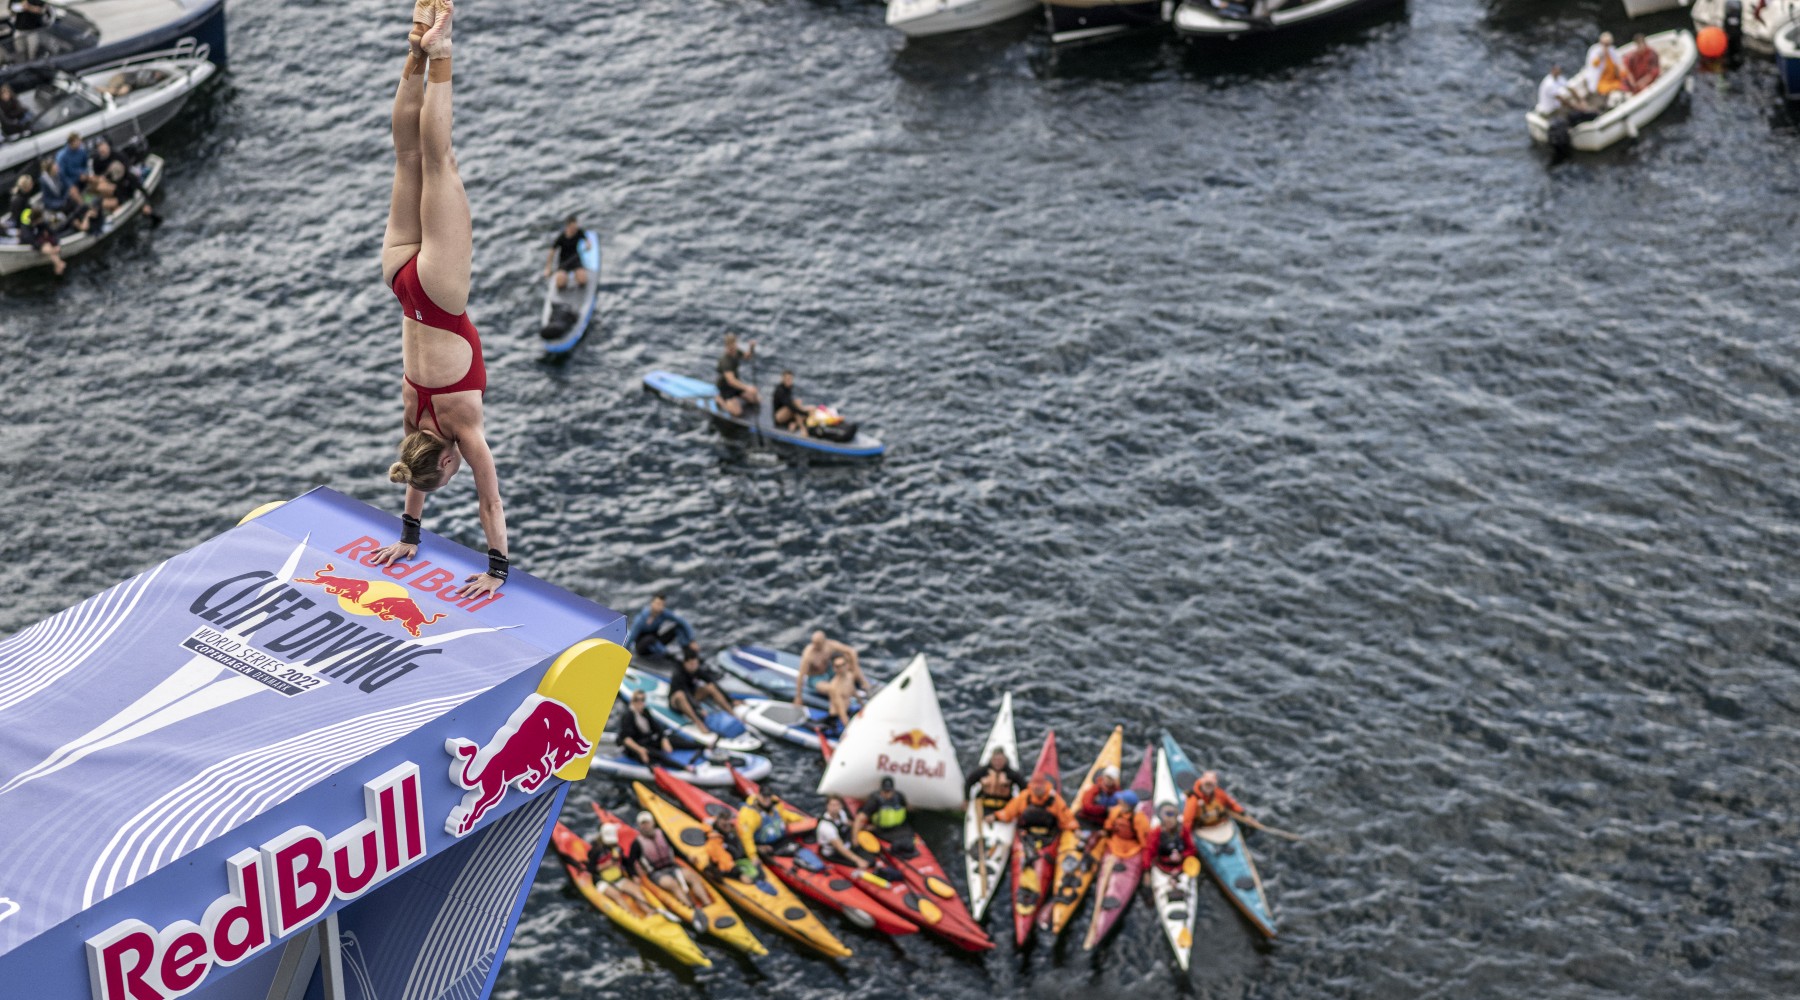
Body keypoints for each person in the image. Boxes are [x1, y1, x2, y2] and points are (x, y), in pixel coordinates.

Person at [366, 0, 509, 600]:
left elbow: (489, 500)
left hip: (437, 295)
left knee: (438, 162)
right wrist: (408, 531)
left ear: (445, 459)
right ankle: (414, 46)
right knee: (404, 157)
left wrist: (496, 569)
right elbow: (416, 473)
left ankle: (440, 53)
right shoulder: (413, 420)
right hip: (399, 281)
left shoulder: (461, 427)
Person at [632, 810, 708, 920]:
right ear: (639, 826)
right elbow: (630, 861)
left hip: (672, 866)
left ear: (653, 823)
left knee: (692, 877)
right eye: (643, 824)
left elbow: (675, 849)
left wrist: (687, 857)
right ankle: (691, 909)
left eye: (647, 823)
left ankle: (707, 902)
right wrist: (634, 874)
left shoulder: (662, 834)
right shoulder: (637, 844)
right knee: (672, 884)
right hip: (656, 873)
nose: (645, 826)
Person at [795, 630, 869, 729]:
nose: (815, 646)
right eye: (814, 643)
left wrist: (854, 666)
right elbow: (801, 676)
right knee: (833, 689)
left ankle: (865, 684)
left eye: (818, 643)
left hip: (829, 671)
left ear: (824, 641)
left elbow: (851, 651)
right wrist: (798, 697)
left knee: (849, 667)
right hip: (816, 678)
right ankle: (838, 712)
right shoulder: (809, 655)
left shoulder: (830, 646)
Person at [584, 823, 656, 910]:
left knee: (636, 890)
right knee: (616, 895)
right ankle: (632, 917)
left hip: (618, 878)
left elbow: (626, 863)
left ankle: (649, 911)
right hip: (602, 881)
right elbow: (590, 869)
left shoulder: (617, 848)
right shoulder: (595, 851)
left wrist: (633, 875)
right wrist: (604, 866)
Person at [668, 649, 734, 731]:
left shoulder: (696, 670)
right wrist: (698, 708)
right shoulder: (678, 675)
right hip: (677, 702)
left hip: (692, 696)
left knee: (710, 687)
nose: (694, 666)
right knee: (680, 695)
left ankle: (731, 711)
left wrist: (729, 698)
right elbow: (686, 693)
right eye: (691, 664)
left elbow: (711, 682)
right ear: (685, 663)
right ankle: (698, 722)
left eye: (696, 664)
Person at [624, 594, 698, 662]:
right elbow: (632, 637)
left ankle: (689, 655)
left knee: (678, 628)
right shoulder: (641, 619)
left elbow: (682, 622)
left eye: (662, 605)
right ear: (652, 604)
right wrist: (625, 653)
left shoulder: (663, 613)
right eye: (658, 604)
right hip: (642, 647)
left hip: (655, 641)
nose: (659, 607)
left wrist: (691, 640)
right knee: (650, 638)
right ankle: (667, 655)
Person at [615, 689, 674, 766]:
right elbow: (626, 739)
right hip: (635, 746)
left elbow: (656, 727)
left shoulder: (645, 712)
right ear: (632, 701)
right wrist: (640, 750)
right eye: (637, 700)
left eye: (642, 700)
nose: (640, 702)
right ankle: (685, 767)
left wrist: (664, 739)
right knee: (655, 756)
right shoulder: (628, 716)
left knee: (672, 739)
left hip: (647, 740)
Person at [814, 794, 870, 869]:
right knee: (861, 861)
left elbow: (847, 823)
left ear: (841, 806)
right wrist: (858, 860)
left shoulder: (841, 813)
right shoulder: (826, 826)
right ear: (827, 806)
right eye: (832, 805)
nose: (834, 808)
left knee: (866, 852)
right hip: (833, 852)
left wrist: (862, 827)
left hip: (843, 841)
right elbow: (839, 847)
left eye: (837, 805)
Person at [964, 748, 1025, 815]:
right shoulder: (982, 771)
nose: (997, 763)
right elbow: (969, 782)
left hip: (1005, 804)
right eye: (995, 760)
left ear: (1005, 760)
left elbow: (1024, 788)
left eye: (1000, 760)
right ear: (991, 760)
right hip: (985, 803)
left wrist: (1021, 803)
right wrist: (967, 799)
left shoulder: (1011, 774)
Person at [1181, 770, 1248, 831]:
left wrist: (1240, 811)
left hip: (1221, 825)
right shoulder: (1193, 799)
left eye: (1211, 784)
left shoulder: (1218, 793)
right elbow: (1187, 822)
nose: (1208, 787)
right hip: (1204, 828)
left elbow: (1231, 803)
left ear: (1215, 785)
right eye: (1207, 784)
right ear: (1202, 783)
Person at [853, 776, 911, 844]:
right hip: (881, 829)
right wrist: (854, 838)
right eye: (885, 791)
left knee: (908, 838)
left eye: (889, 791)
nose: (887, 794)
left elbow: (907, 808)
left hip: (897, 827)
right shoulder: (875, 799)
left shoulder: (899, 796)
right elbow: (859, 818)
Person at [714, 333, 759, 418]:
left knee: (755, 399)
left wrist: (751, 348)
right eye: (730, 347)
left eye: (734, 345)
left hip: (736, 384)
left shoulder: (736, 352)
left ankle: (737, 397)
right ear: (726, 346)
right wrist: (748, 388)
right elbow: (731, 381)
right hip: (726, 387)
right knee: (737, 412)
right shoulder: (725, 361)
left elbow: (747, 357)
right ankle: (720, 400)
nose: (733, 349)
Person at [737, 788, 792, 855]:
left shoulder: (775, 805)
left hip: (781, 840)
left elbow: (784, 815)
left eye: (768, 796)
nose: (767, 799)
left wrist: (802, 820)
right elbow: (747, 837)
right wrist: (753, 855)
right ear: (759, 796)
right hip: (765, 845)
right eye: (764, 796)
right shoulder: (751, 814)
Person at [1150, 803, 1197, 877]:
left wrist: (1181, 856)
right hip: (1162, 866)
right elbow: (1151, 853)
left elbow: (1192, 849)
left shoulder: (1184, 830)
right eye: (1167, 821)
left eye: (1172, 820)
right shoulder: (1156, 833)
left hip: (1182, 865)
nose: (1170, 822)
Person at [543, 215, 588, 290]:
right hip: (564, 261)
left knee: (583, 280)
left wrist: (588, 244)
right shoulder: (561, 238)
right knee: (561, 283)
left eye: (575, 227)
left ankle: (577, 276)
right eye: (572, 228)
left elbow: (585, 239)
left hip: (575, 259)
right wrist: (548, 268)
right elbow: (552, 252)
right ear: (568, 226)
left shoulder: (579, 232)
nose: (574, 229)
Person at [1582, 32, 1623, 105]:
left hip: (1612, 78)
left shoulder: (1612, 50)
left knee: (1621, 83)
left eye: (1608, 44)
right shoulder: (1595, 50)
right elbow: (1593, 64)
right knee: (1604, 88)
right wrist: (1601, 56)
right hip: (1601, 79)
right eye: (1605, 44)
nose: (1607, 46)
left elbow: (1617, 63)